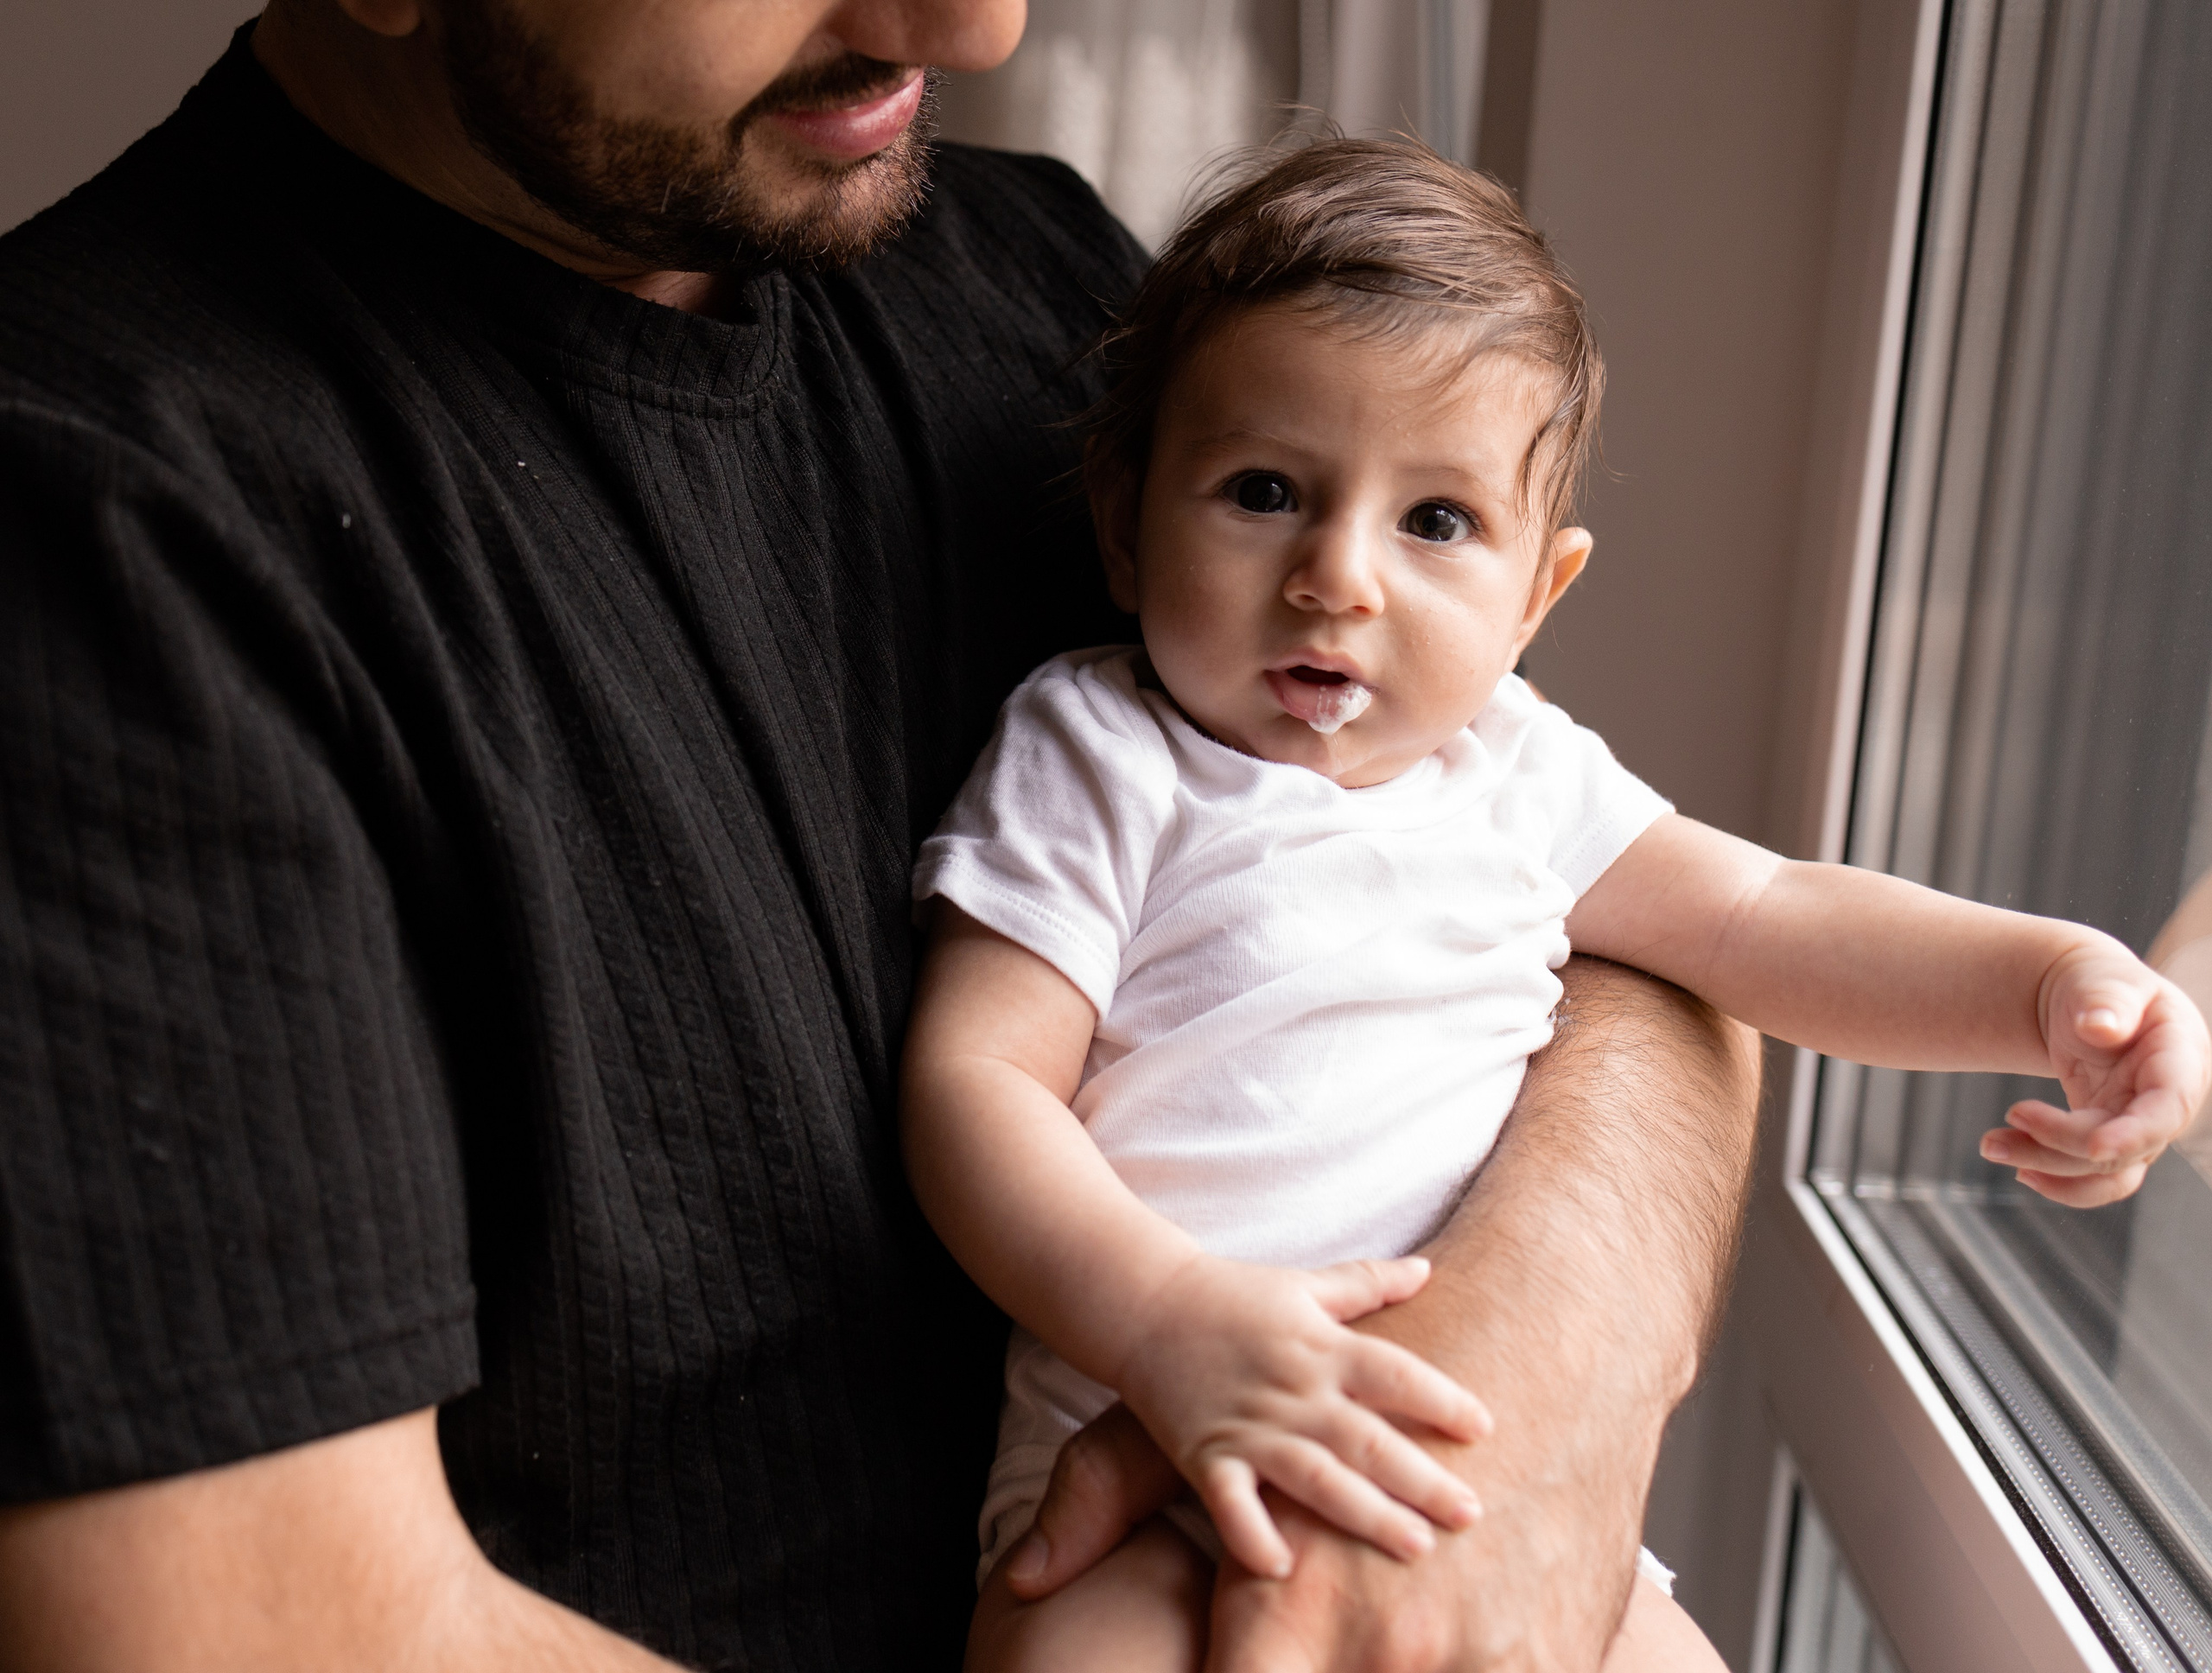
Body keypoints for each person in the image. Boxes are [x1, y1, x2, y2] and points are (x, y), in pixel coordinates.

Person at [0, 2, 1763, 1669]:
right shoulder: (93, 532)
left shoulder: (1056, 299)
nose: (977, 25)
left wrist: (1521, 1402)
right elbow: (255, 1621)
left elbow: (1603, 907)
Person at [899, 141, 2212, 1670]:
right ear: (1127, 526)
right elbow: (975, 1084)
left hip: (1481, 1487)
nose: (1339, 578)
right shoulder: (1102, 752)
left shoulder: (1519, 776)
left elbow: (1768, 919)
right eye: (1266, 493)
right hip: (1142, 1463)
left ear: (1540, 596)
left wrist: (2051, 984)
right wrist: (1166, 1321)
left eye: (1436, 522)